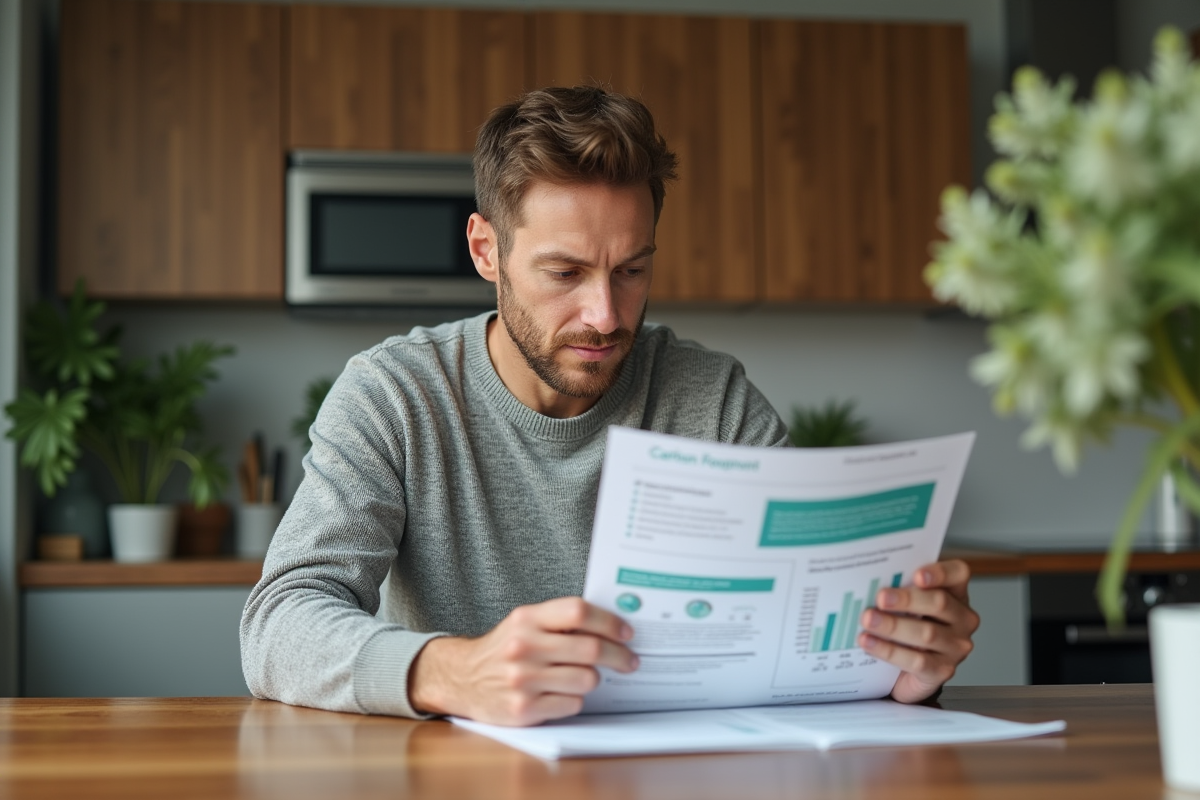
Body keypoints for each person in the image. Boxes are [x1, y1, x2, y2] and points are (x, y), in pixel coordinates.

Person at [240, 86, 979, 727]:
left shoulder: (712, 399)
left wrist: (900, 670)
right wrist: (456, 673)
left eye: (631, 270)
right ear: (486, 249)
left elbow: (801, 630)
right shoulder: (395, 396)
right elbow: (280, 623)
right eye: (565, 271)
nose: (603, 314)